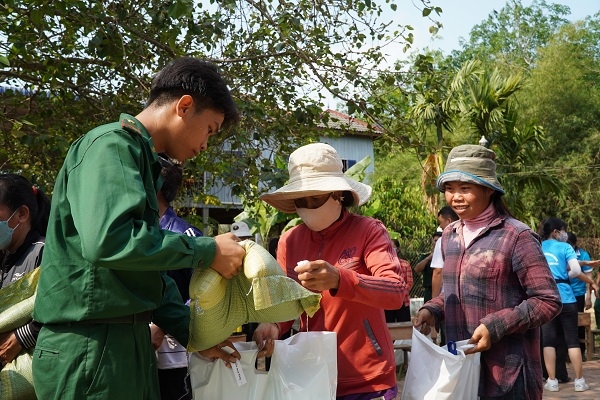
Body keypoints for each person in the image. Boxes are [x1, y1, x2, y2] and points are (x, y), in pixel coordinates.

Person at [31, 57, 248, 400]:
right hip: (92, 347)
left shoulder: (140, 160)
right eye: (210, 129)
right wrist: (206, 251)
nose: (206, 145)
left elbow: (144, 274)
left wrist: (194, 334)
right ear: (185, 106)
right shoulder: (111, 146)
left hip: (123, 344)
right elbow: (110, 241)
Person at [253, 142, 409, 400]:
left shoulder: (369, 231)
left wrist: (339, 278)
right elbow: (286, 302)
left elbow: (394, 291)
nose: (309, 207)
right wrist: (272, 325)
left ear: (338, 193)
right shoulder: (289, 241)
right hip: (309, 374)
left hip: (366, 378)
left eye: (316, 198)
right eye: (301, 200)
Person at [414, 144, 561, 400]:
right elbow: (455, 289)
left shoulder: (517, 236)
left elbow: (547, 300)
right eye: (449, 189)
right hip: (459, 367)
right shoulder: (449, 235)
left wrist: (496, 325)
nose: (455, 197)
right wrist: (434, 309)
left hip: (508, 373)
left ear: (488, 190)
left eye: (465, 188)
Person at [149, 155, 202, 400]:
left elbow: (204, 295)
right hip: (144, 356)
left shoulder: (185, 234)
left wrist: (162, 325)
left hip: (176, 358)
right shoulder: (139, 234)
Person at [539, 218, 598, 393]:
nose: (565, 233)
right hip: (568, 299)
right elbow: (576, 271)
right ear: (556, 232)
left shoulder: (538, 246)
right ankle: (580, 381)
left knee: (548, 341)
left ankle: (552, 381)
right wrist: (564, 275)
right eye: (563, 230)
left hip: (546, 298)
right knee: (572, 340)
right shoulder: (565, 248)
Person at [0, 174, 50, 369]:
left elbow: (63, 310)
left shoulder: (45, 253)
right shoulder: (4, 256)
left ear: (22, 214)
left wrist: (23, 336)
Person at [567, 232, 595, 358]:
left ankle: (581, 351)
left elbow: (589, 277)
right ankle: (566, 352)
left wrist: (588, 297)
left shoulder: (583, 254)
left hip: (577, 293)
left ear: (574, 244)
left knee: (579, 322)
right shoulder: (562, 253)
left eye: (569, 245)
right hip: (563, 293)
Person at [385, 239, 413, 323]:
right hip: (388, 302)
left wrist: (400, 293)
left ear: (398, 249)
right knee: (388, 326)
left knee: (404, 326)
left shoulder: (405, 264)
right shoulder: (384, 265)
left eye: (393, 247)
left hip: (403, 301)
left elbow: (410, 282)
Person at [413, 231, 442, 303]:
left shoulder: (446, 256)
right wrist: (428, 258)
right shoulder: (426, 256)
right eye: (435, 240)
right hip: (428, 291)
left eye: (439, 241)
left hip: (442, 290)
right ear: (432, 242)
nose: (437, 243)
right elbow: (417, 269)